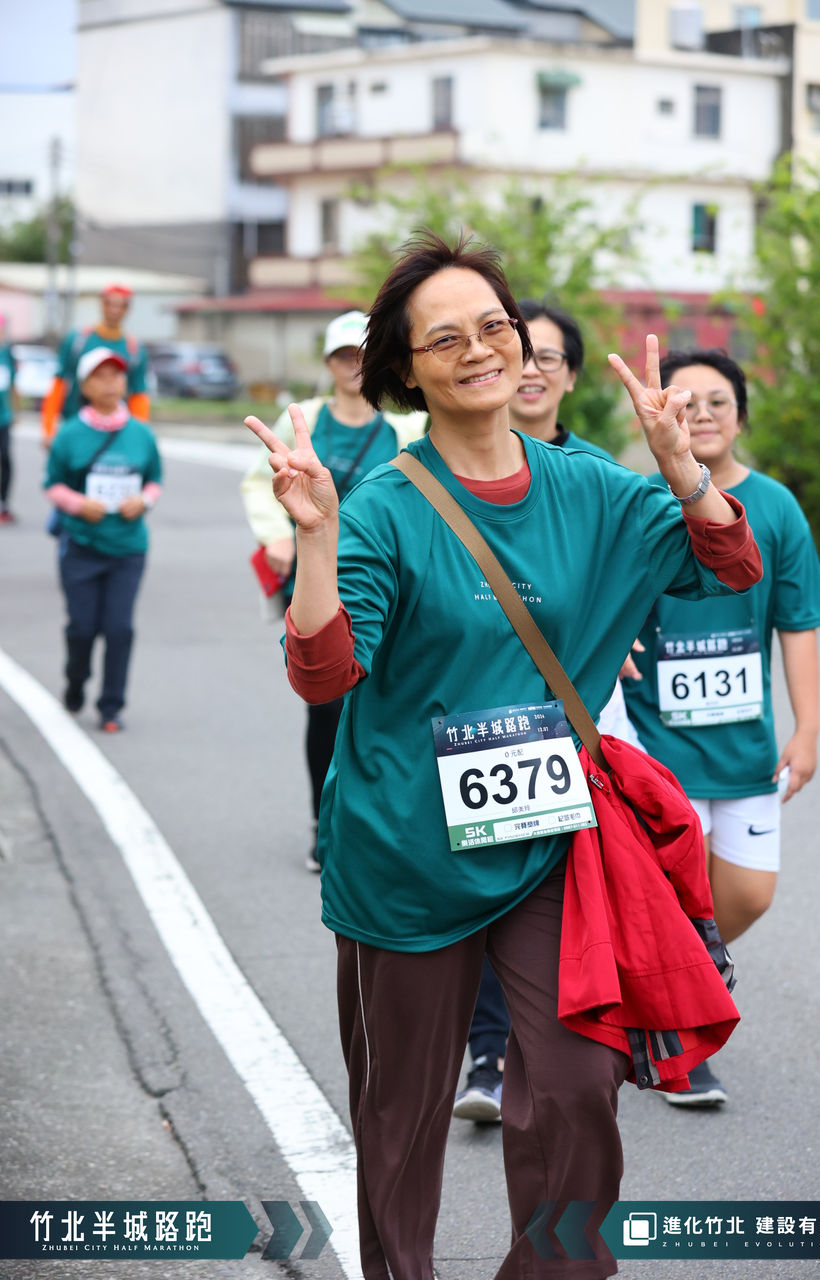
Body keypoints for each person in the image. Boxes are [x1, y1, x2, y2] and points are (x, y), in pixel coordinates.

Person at [245, 231, 761, 1280]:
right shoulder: (382, 508)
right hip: (405, 848)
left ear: (522, 341)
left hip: (546, 838)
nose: (479, 348)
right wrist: (315, 540)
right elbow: (324, 673)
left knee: (577, 1085)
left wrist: (682, 467)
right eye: (446, 338)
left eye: (494, 325)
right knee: (401, 1115)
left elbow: (728, 561)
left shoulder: (589, 488)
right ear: (405, 370)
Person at [622, 347, 820, 1109]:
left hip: (744, 748)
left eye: (718, 400)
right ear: (660, 415)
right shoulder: (641, 503)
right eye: (687, 402)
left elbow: (797, 621)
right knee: (677, 896)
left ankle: (663, 987)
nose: (703, 414)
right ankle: (678, 1035)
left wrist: (807, 730)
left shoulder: (773, 507)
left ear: (740, 414)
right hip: (654, 744)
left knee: (744, 895)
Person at [452, 298, 634, 1125]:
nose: (528, 370)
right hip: (483, 726)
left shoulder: (595, 477)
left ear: (570, 376)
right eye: (516, 352)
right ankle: (489, 1053)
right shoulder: (440, 474)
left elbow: (653, 569)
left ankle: (589, 1035)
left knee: (572, 886)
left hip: (577, 713)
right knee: (500, 880)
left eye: (546, 357)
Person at [240, 309, 427, 870]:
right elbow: (260, 481)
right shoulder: (305, 419)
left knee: (392, 700)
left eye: (363, 355)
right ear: (329, 362)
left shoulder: (407, 429)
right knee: (325, 706)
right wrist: (276, 535)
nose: (354, 365)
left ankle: (386, 823)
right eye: (344, 355)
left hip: (389, 585)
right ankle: (324, 823)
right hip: (316, 578)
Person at [45, 346, 162, 731]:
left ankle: (111, 706)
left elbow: (155, 480)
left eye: (117, 375)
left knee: (119, 629)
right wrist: (78, 504)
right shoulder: (70, 434)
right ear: (85, 385)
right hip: (81, 546)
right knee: (82, 628)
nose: (111, 383)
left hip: (128, 549)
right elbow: (52, 484)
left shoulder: (141, 434)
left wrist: (143, 501)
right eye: (101, 376)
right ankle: (75, 679)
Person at [41, 283, 150, 446]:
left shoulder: (134, 350)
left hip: (115, 433)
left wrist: (140, 437)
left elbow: (139, 394)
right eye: (110, 303)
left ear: (128, 309)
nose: (114, 310)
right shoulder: (78, 341)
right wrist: (49, 429)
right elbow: (59, 383)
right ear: (101, 304)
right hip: (76, 424)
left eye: (121, 305)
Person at [0, 315, 16, 523]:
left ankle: (3, 502)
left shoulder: (7, 353)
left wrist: (16, 411)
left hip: (3, 418)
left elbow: (13, 384)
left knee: (5, 460)